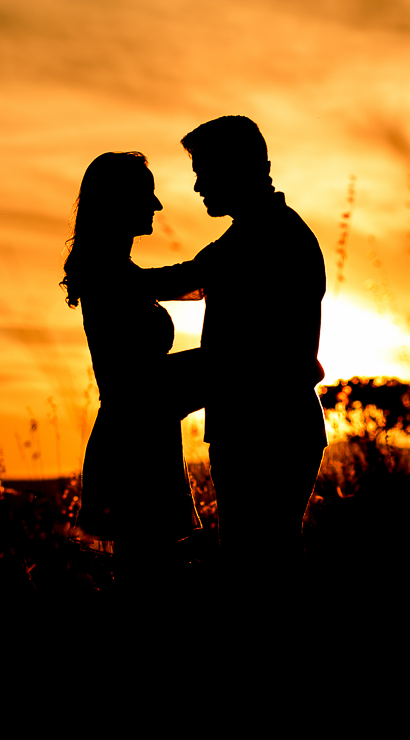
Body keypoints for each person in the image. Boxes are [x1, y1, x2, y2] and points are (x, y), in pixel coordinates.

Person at [136, 116, 327, 607]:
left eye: (205, 172)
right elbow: (191, 280)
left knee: (259, 570)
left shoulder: (267, 238)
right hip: (266, 426)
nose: (198, 186)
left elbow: (246, 354)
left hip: (267, 429)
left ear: (238, 170)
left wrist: (106, 276)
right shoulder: (254, 235)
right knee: (265, 563)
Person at [61, 151, 205, 602]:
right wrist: (232, 363)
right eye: (147, 194)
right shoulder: (106, 274)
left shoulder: (115, 272)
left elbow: (176, 282)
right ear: (118, 202)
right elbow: (141, 382)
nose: (157, 205)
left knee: (149, 584)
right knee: (148, 589)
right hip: (132, 444)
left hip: (143, 438)